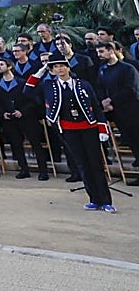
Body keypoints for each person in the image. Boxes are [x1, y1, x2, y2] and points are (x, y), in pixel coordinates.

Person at [24, 52, 116, 212]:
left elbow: (95, 106)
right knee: (82, 165)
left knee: (95, 164)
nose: (59, 69)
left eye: (62, 66)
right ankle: (94, 199)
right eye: (56, 67)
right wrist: (42, 70)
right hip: (68, 130)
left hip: (88, 128)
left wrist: (102, 127)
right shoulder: (49, 85)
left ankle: (106, 200)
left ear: (68, 67)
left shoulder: (83, 84)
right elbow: (28, 89)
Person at [0, 58, 47, 180]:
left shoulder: (22, 83)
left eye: (1, 64)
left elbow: (32, 101)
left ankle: (43, 171)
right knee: (16, 145)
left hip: (26, 118)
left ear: (10, 66)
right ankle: (24, 169)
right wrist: (2, 113)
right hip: (9, 119)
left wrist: (22, 111)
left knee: (35, 144)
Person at [96, 41, 139, 169]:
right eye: (98, 52)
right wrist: (104, 101)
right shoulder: (102, 69)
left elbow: (130, 89)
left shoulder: (127, 68)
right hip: (115, 111)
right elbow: (99, 87)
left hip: (131, 110)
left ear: (111, 51)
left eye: (102, 51)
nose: (99, 55)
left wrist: (111, 100)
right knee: (130, 140)